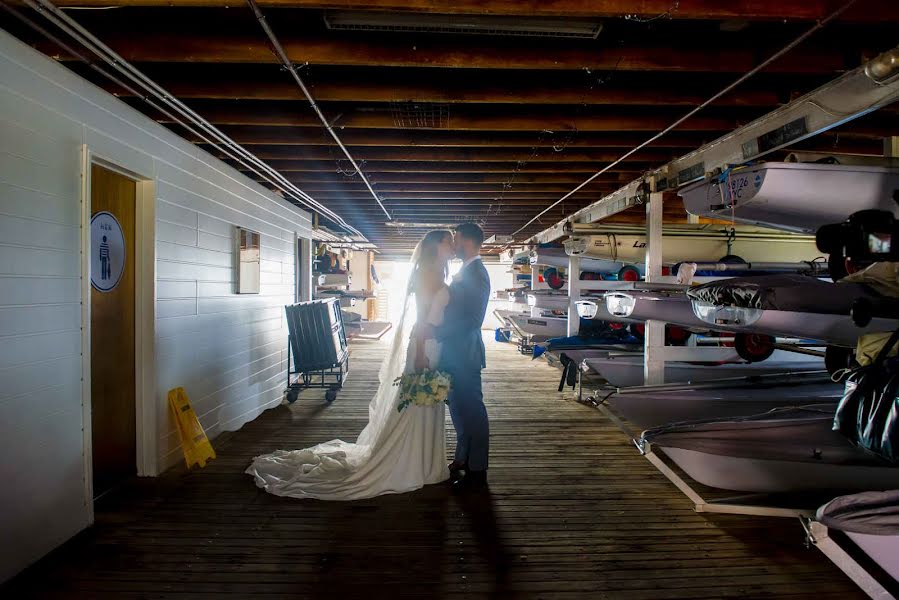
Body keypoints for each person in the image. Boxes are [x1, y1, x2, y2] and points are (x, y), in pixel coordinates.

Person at [245, 229, 455, 500]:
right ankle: (416, 461)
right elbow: (424, 316)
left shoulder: (436, 271)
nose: (452, 245)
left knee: (425, 404)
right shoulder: (429, 273)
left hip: (432, 344)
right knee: (419, 403)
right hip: (425, 345)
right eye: (448, 240)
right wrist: (421, 355)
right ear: (436, 246)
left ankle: (424, 461)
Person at [437, 223, 492, 491]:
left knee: (473, 411)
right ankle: (462, 458)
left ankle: (477, 470)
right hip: (453, 353)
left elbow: (472, 319)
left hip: (465, 352)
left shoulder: (478, 273)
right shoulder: (466, 270)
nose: (454, 243)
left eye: (456, 238)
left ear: (466, 241)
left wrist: (437, 333)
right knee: (458, 409)